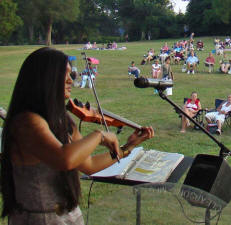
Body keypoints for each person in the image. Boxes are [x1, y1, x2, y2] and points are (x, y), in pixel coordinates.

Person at [0, 47, 154, 225]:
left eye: (70, 74)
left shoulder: (62, 119)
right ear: (43, 78)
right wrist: (99, 136)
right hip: (37, 218)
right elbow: (64, 159)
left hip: (69, 216)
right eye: (62, 74)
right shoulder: (26, 121)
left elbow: (88, 165)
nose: (70, 80)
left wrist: (127, 148)